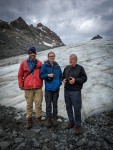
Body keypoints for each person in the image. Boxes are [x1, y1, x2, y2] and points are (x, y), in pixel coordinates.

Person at [18, 47, 43, 129]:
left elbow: (43, 73)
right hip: (28, 88)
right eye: (31, 53)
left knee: (38, 103)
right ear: (29, 54)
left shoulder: (39, 63)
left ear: (35, 53)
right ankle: (29, 119)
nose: (32, 54)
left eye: (34, 53)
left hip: (38, 86)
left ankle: (39, 118)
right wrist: (21, 84)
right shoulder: (23, 63)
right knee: (29, 105)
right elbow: (20, 75)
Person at [63, 54, 87, 135]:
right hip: (66, 91)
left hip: (75, 92)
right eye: (70, 59)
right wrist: (63, 80)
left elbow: (84, 78)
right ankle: (71, 122)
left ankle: (77, 125)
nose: (70, 60)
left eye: (72, 59)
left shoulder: (80, 68)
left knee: (77, 108)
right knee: (68, 107)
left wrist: (75, 80)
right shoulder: (66, 68)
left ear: (76, 60)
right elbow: (63, 77)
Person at [40, 51, 62, 128]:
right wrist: (47, 75)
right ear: (48, 57)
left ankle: (54, 118)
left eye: (53, 56)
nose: (51, 57)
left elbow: (60, 76)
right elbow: (41, 75)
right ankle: (48, 119)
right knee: (48, 104)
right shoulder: (45, 66)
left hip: (56, 89)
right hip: (48, 89)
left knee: (55, 104)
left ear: (54, 57)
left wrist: (59, 83)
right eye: (50, 56)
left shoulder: (57, 66)